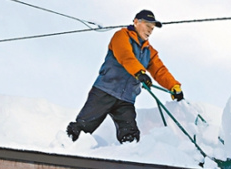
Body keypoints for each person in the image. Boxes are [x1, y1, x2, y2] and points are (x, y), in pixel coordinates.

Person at [67, 9, 184, 143]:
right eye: (147, 26)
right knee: (83, 127)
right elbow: (125, 56)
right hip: (105, 91)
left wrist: (174, 86)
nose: (150, 30)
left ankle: (130, 157)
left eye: (152, 28)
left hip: (126, 99)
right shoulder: (121, 36)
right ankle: (64, 147)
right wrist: (140, 73)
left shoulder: (149, 51)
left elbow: (160, 71)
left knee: (130, 135)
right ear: (135, 22)